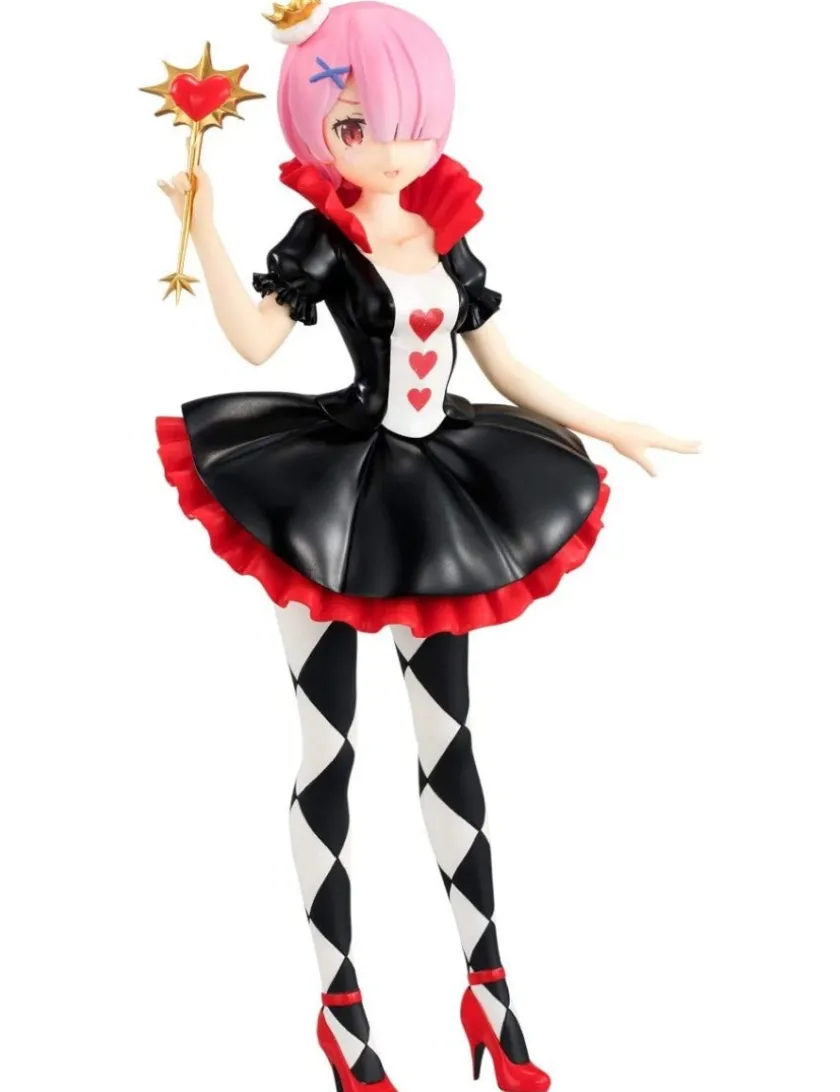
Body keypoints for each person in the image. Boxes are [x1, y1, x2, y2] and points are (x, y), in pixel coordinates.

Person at [155, 3, 699, 1089]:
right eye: (354, 126)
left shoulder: (444, 229)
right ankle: (343, 1014)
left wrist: (607, 423)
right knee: (329, 748)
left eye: (403, 118)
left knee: (449, 744)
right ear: (320, 132)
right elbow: (257, 342)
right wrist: (204, 226)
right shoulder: (322, 233)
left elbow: (503, 365)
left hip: (435, 491)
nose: (386, 146)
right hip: (327, 498)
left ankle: (490, 998)